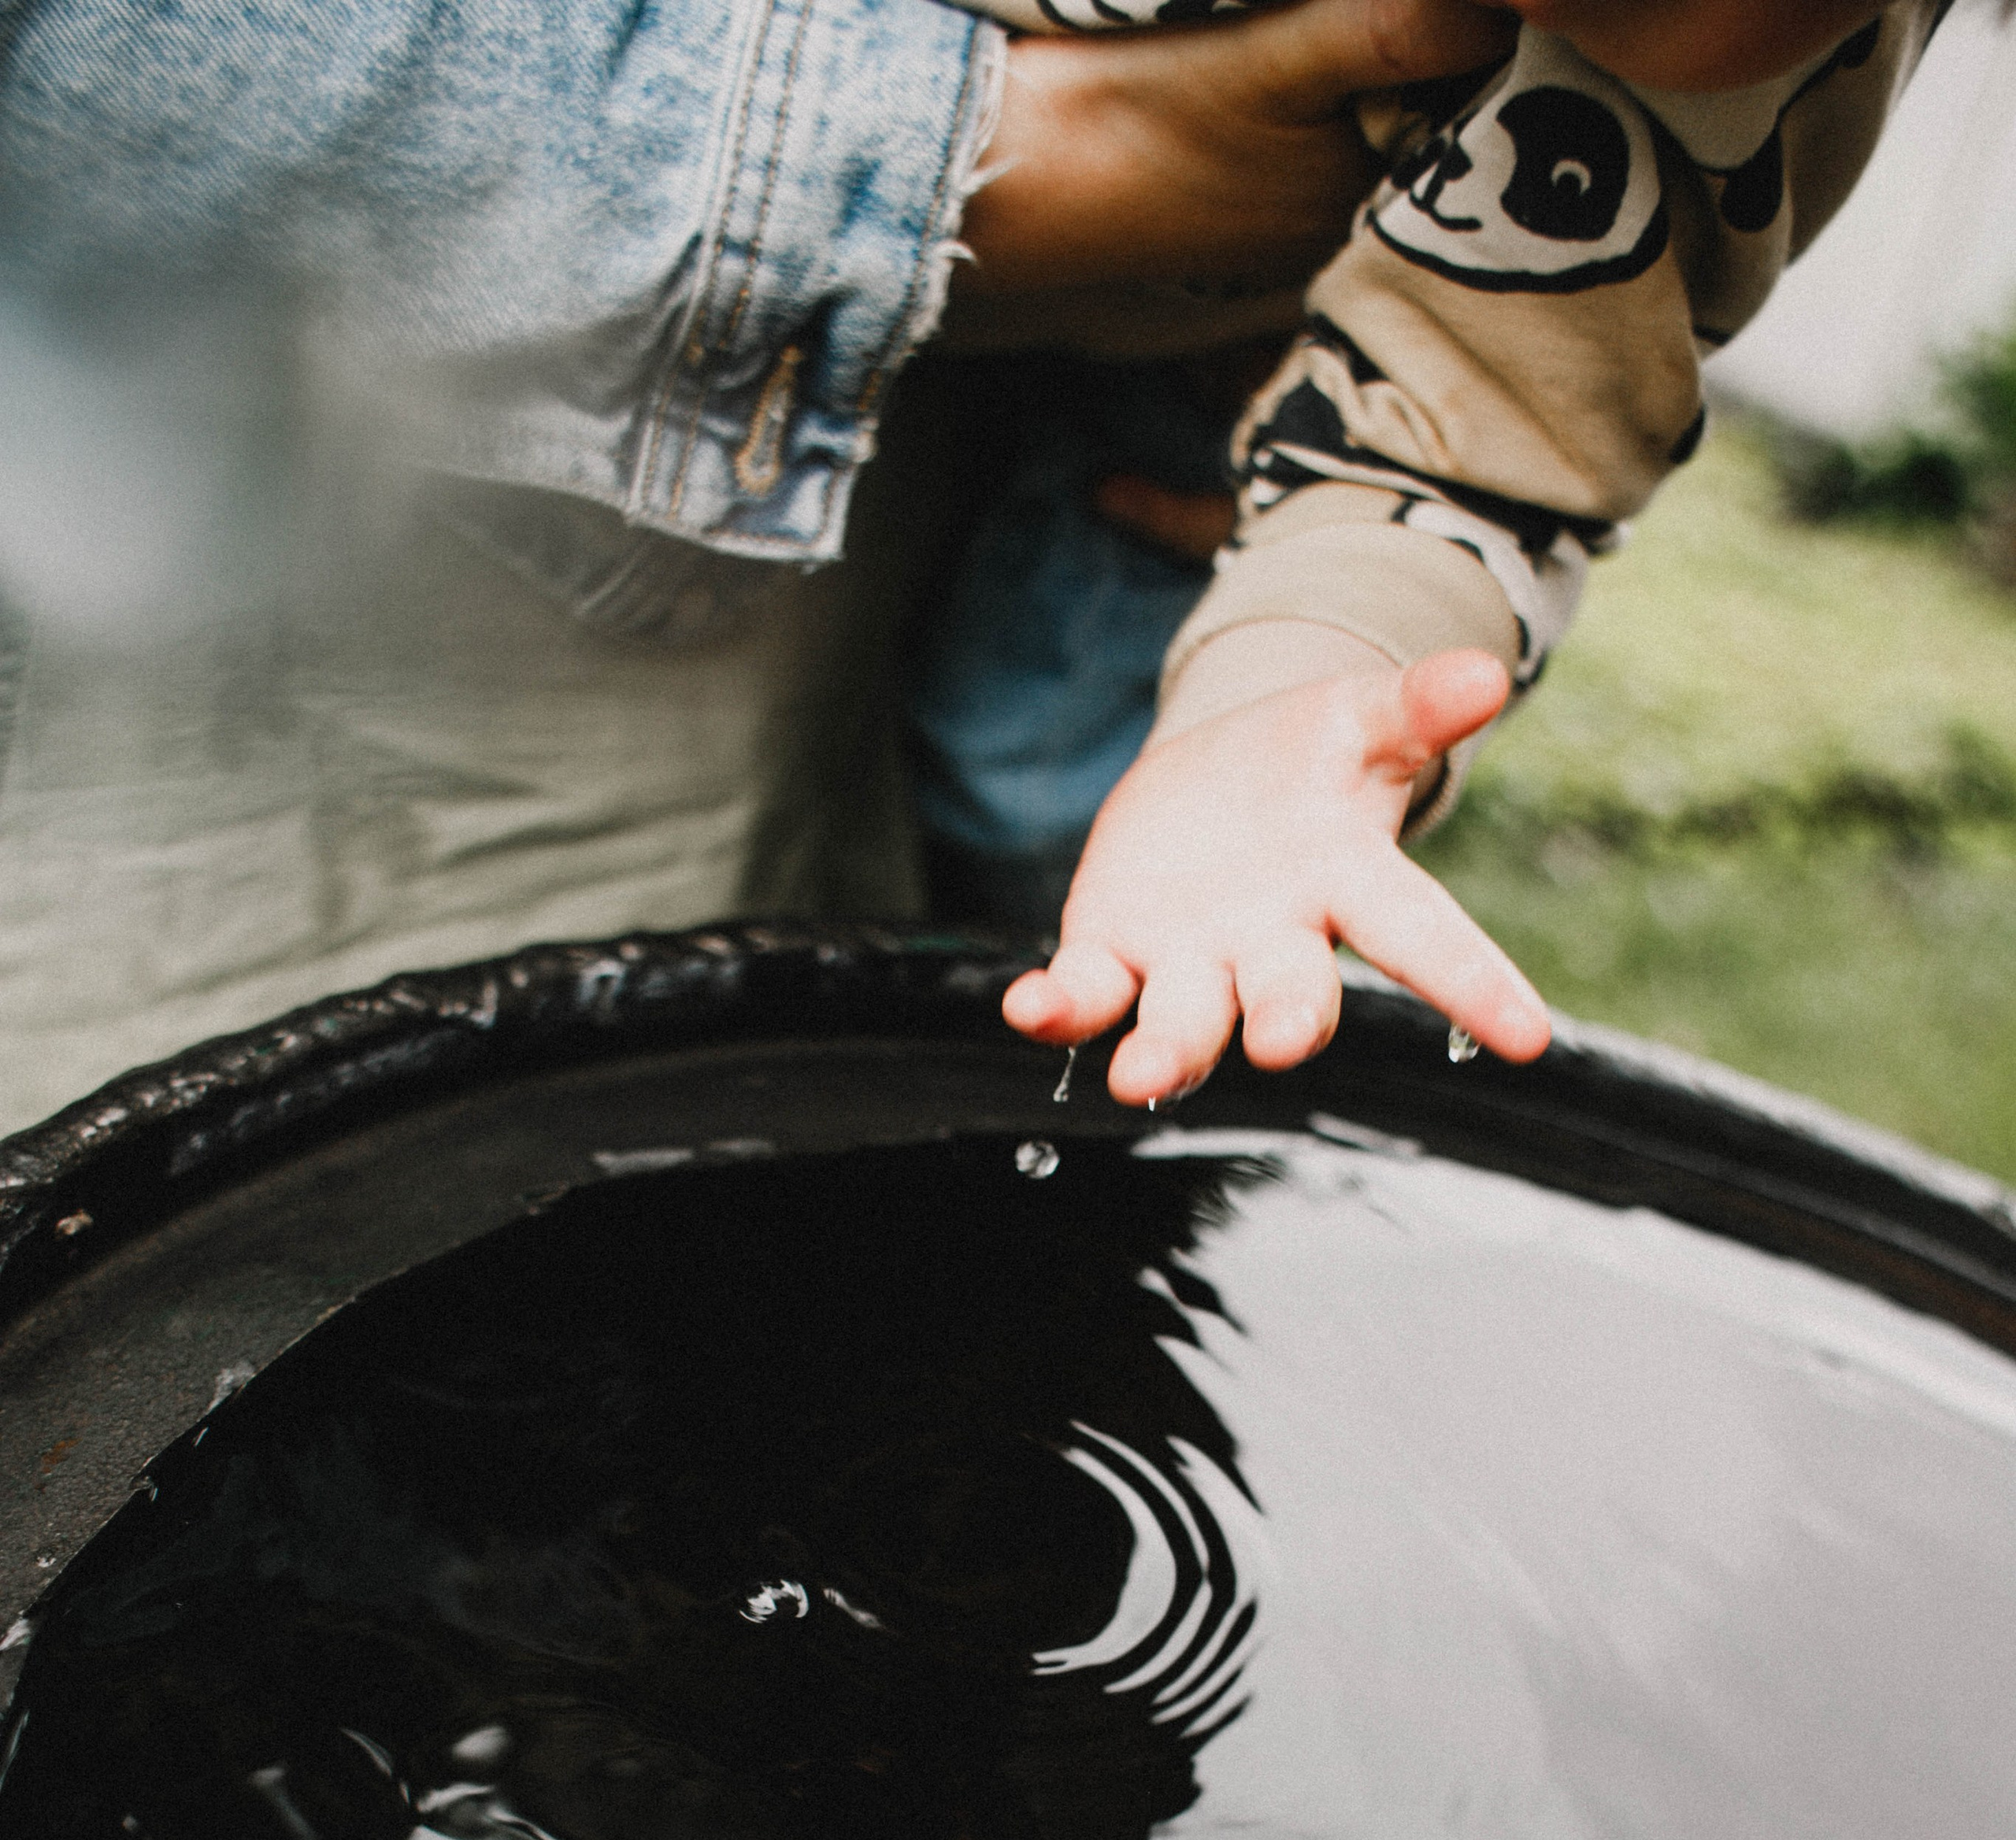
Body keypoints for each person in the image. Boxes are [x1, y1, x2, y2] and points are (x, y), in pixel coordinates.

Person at [0, 0, 1500, 1137]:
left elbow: (1543, 337)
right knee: (254, 1215)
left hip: (995, 525)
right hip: (345, 530)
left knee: (798, 1166)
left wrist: (1321, 603)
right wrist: (1026, 165)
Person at [987, 0, 1951, 1101]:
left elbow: (1471, 433)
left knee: (1048, 821)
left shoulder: (1739, 69)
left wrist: (1289, 679)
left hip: (1213, 371)